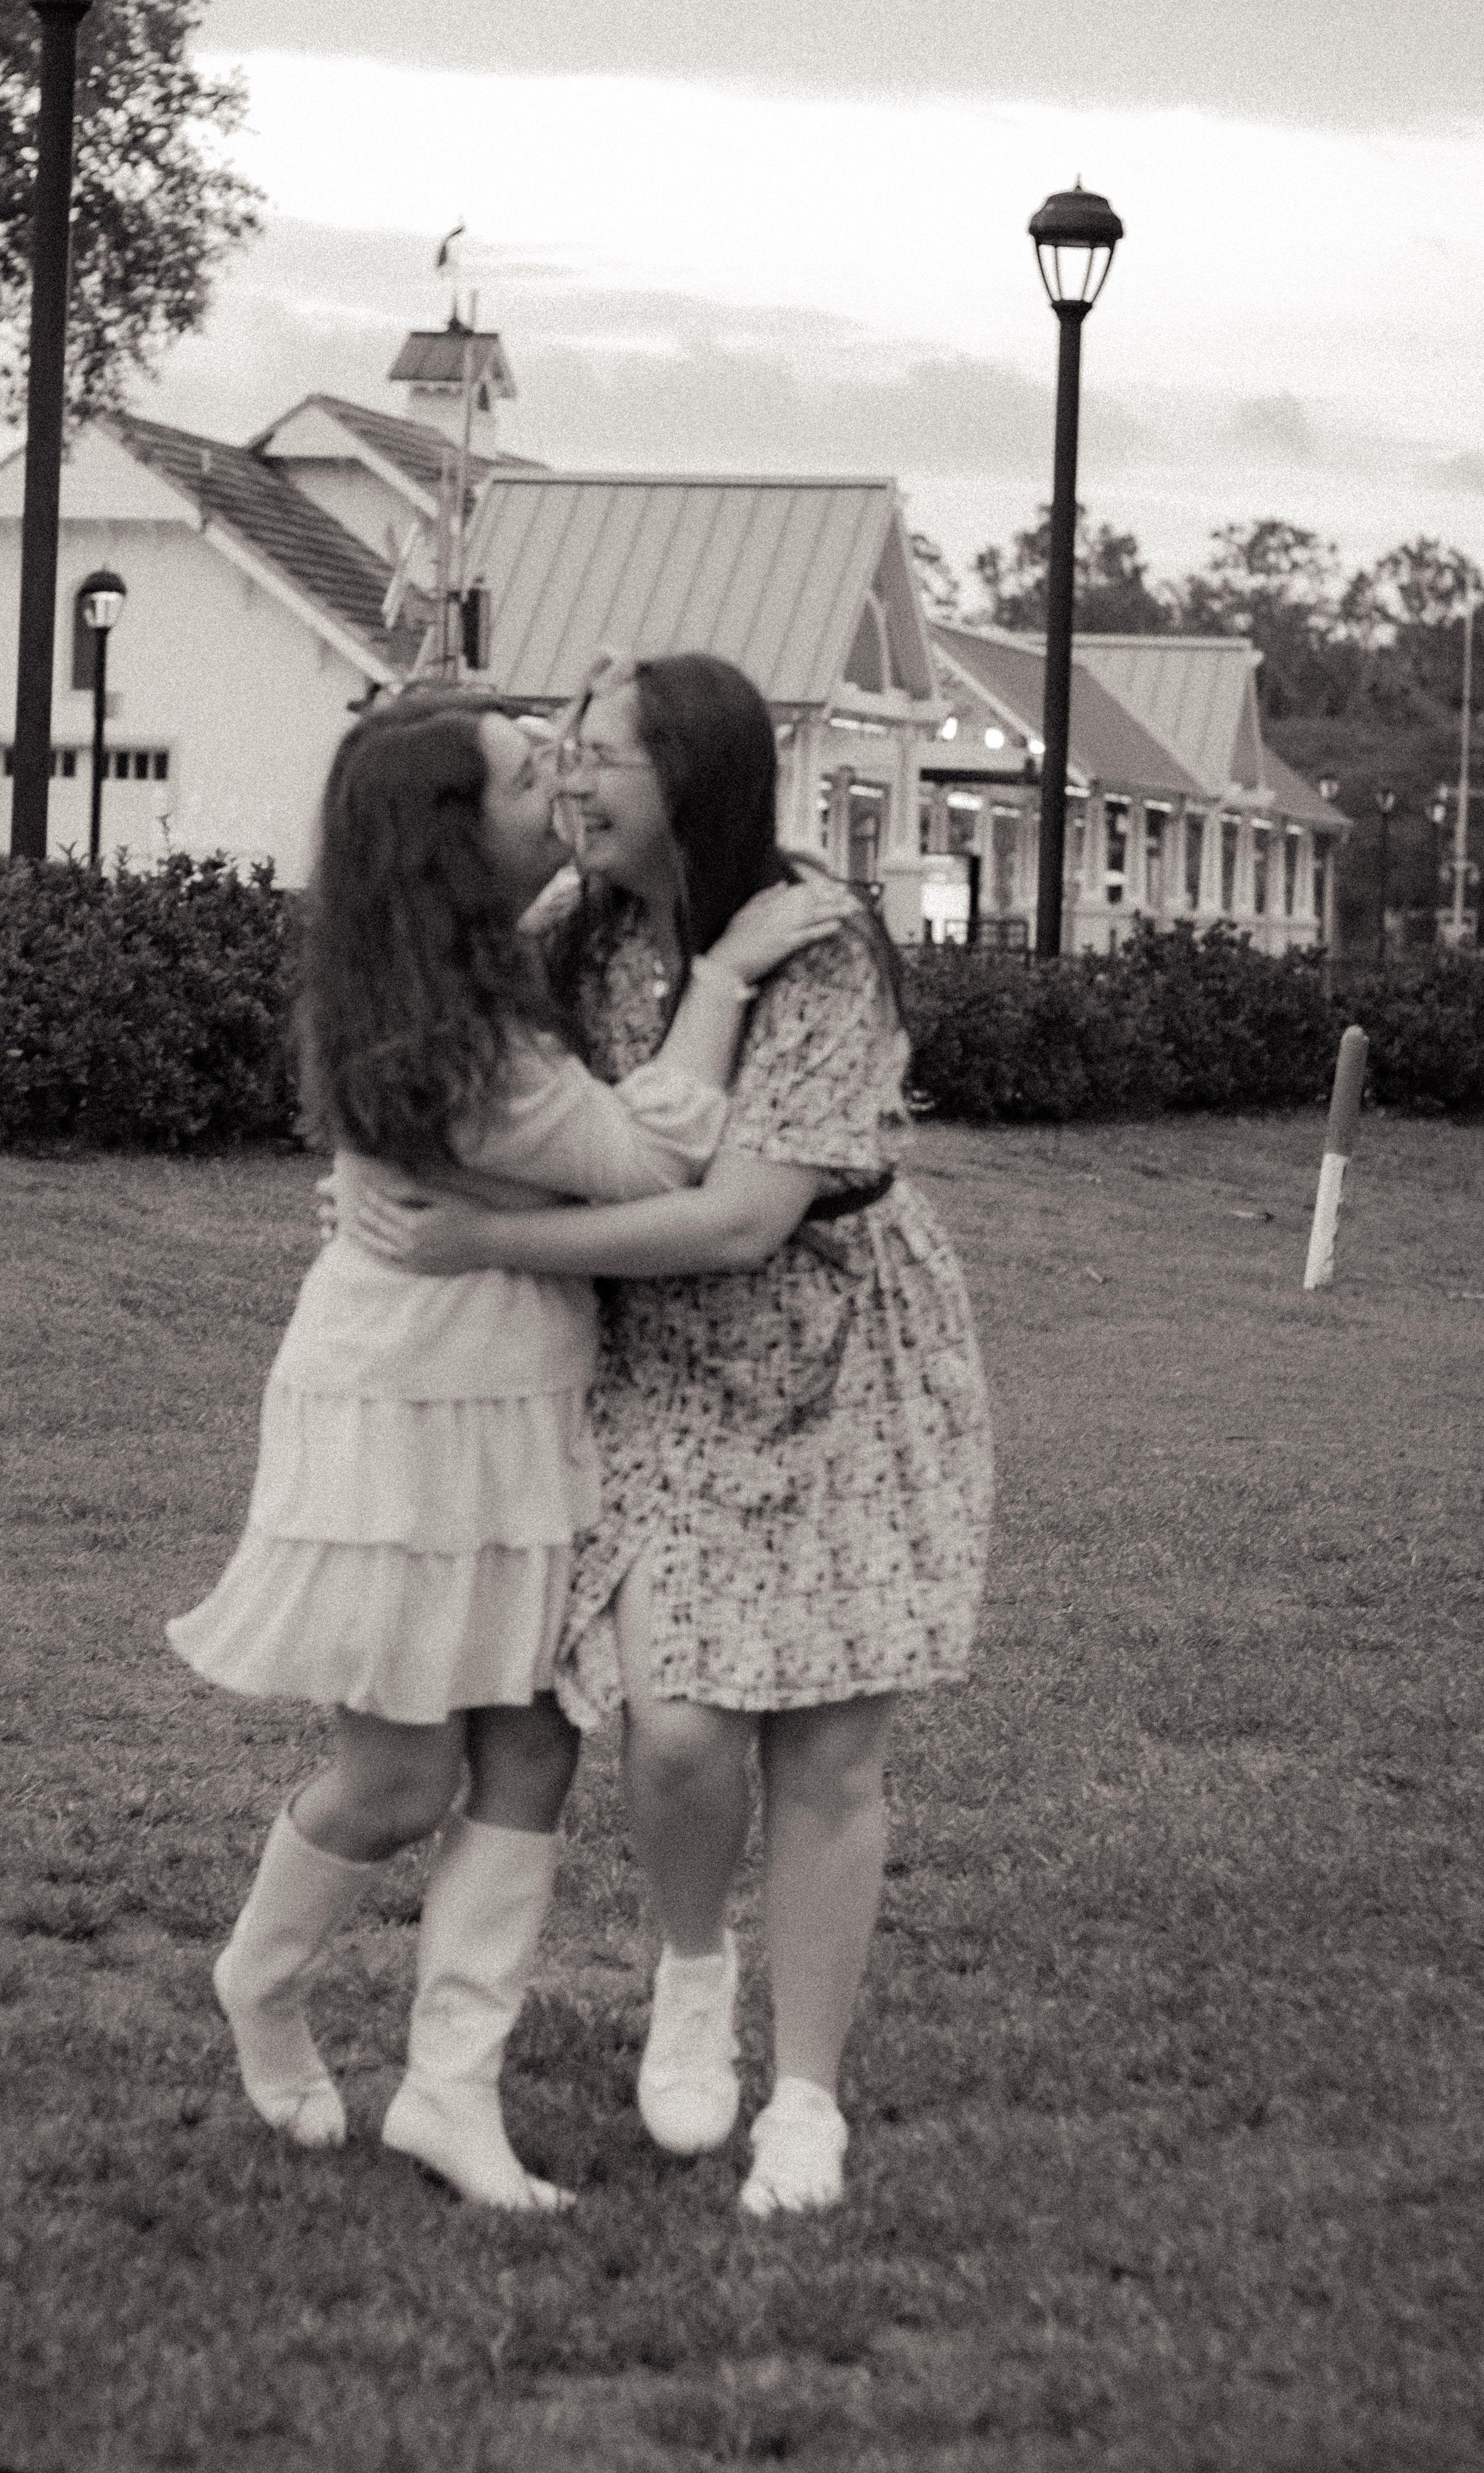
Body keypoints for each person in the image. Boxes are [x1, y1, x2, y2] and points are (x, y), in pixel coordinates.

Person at [167, 690, 849, 2213]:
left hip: (526, 1402)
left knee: (534, 1740)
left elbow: (570, 1135)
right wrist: (725, 976)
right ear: (453, 846)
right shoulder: (453, 1036)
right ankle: (260, 1977)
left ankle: (449, 2095)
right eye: (534, 778)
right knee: (401, 1775)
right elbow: (657, 1157)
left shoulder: (469, 955)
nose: (568, 788)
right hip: (408, 1414)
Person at [347, 653, 996, 2219]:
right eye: (559, 755)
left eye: (599, 757)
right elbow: (465, 1072)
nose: (570, 782)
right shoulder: (576, 930)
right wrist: (389, 1187)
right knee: (684, 1724)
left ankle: (808, 2100)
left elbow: (739, 1221)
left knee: (830, 1749)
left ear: (689, 779)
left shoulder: (812, 941)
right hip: (657, 1365)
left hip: (840, 1352)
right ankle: (693, 1972)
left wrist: (483, 1241)